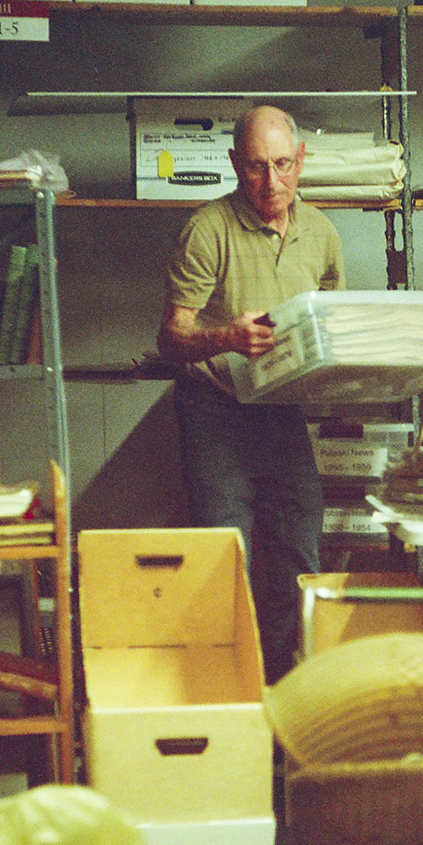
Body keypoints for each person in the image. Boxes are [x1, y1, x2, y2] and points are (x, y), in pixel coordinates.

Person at [159, 105, 345, 684]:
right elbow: (170, 338)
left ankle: (285, 688)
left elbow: (329, 321)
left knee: (297, 543)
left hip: (282, 410)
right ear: (236, 164)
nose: (273, 183)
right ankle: (228, 689)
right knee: (225, 551)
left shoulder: (320, 233)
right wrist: (226, 338)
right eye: (258, 168)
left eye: (284, 165)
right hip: (215, 410)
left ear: (302, 159)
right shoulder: (208, 228)